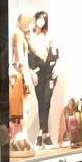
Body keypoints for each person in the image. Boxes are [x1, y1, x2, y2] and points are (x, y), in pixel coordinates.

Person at [25, 10, 59, 147]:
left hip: (50, 72)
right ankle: (45, 134)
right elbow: (29, 55)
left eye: (44, 19)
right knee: (41, 101)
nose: (41, 21)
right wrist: (32, 71)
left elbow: (55, 53)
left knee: (46, 99)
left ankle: (41, 133)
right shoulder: (30, 36)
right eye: (40, 18)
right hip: (38, 73)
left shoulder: (50, 35)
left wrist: (57, 64)